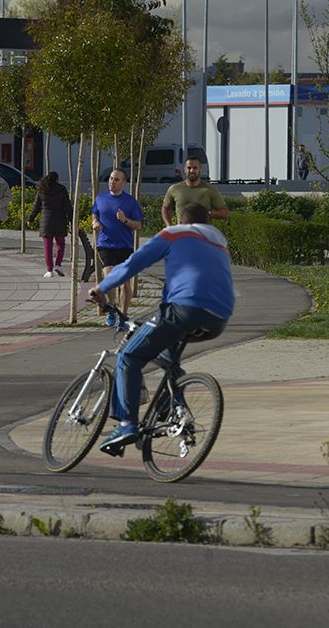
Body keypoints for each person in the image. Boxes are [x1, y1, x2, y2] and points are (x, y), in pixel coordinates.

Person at [88, 203, 234, 454]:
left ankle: (126, 424)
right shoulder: (218, 244)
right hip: (219, 316)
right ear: (207, 224)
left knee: (128, 355)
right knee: (168, 357)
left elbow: (133, 264)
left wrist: (102, 289)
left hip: (183, 308)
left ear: (179, 220)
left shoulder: (173, 234)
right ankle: (175, 409)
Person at [91, 168, 143, 308]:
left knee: (125, 285)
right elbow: (95, 212)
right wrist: (95, 221)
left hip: (125, 246)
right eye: (111, 178)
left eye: (116, 179)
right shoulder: (100, 198)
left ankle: (124, 316)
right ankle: (112, 308)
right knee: (109, 277)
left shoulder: (131, 202)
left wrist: (125, 220)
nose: (112, 182)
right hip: (105, 245)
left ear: (124, 183)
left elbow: (138, 225)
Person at [27, 170, 73, 278]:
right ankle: (58, 264)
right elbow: (68, 207)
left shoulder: (42, 189)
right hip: (60, 220)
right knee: (60, 244)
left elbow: (36, 206)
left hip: (46, 221)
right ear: (56, 179)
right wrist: (72, 220)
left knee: (47, 246)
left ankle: (49, 270)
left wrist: (30, 218)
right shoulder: (62, 189)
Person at [160, 157, 230, 227]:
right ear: (184, 169)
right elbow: (165, 208)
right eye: (189, 168)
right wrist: (169, 227)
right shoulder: (174, 189)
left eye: (195, 168)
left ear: (200, 169)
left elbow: (225, 213)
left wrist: (209, 213)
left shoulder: (209, 189)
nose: (192, 170)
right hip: (182, 233)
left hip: (202, 233)